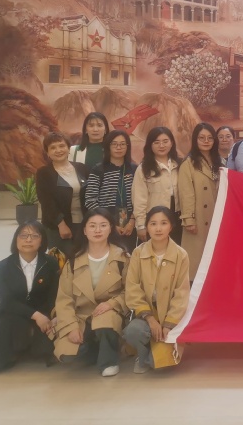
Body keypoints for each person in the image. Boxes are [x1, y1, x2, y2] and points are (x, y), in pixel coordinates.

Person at [53, 208, 129, 377]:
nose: (97, 230)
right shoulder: (73, 261)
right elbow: (64, 299)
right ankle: (95, 346)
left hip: (109, 313)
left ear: (111, 228)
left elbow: (130, 291)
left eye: (103, 225)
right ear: (84, 230)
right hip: (81, 316)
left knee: (105, 322)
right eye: (92, 226)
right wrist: (71, 327)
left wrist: (112, 304)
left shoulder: (122, 258)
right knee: (68, 356)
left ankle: (109, 361)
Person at [0, 221, 58, 374]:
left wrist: (53, 315)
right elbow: (5, 300)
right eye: (23, 235)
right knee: (5, 328)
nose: (28, 240)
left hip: (43, 309)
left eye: (34, 236)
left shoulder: (51, 263)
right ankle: (7, 354)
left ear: (42, 241)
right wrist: (35, 316)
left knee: (41, 349)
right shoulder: (2, 267)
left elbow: (54, 294)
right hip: (12, 311)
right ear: (16, 239)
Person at [123, 207, 190, 374]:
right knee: (133, 331)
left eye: (163, 223)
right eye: (153, 224)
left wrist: (168, 324)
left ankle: (154, 353)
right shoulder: (138, 253)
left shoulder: (181, 255)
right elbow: (132, 288)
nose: (158, 228)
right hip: (146, 315)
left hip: (170, 316)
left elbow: (181, 294)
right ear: (147, 226)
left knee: (161, 364)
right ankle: (142, 354)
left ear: (171, 226)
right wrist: (150, 319)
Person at [178, 123, 221, 281]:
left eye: (210, 138)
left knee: (215, 259)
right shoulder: (188, 163)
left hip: (216, 216)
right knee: (197, 261)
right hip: (198, 218)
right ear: (195, 140)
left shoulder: (219, 161)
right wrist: (189, 219)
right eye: (202, 138)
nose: (206, 141)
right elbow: (186, 194)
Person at [36, 131, 89, 258]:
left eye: (61, 146)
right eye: (53, 147)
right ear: (47, 152)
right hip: (58, 227)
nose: (58, 150)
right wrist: (61, 224)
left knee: (83, 260)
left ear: (68, 148)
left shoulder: (82, 168)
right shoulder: (44, 173)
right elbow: (46, 202)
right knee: (62, 262)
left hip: (84, 224)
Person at [84, 130, 137, 252]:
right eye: (114, 144)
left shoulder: (134, 169)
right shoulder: (98, 169)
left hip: (130, 222)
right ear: (108, 146)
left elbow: (140, 198)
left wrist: (132, 221)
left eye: (122, 144)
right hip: (105, 223)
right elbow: (90, 200)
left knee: (128, 255)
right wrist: (108, 223)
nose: (119, 147)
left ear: (127, 147)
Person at [132, 127, 182, 245]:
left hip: (178, 219)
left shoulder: (180, 165)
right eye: (156, 142)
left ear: (172, 143)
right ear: (150, 145)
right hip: (155, 220)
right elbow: (139, 199)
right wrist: (141, 225)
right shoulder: (144, 168)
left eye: (165, 141)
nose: (161, 145)